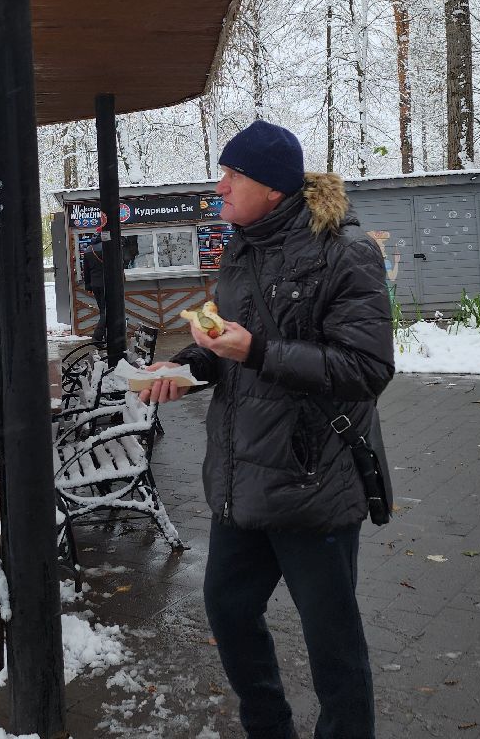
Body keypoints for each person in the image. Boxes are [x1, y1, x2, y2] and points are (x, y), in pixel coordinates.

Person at [140, 120, 393, 739]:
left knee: (332, 640)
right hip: (241, 477)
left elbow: (367, 369)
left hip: (315, 478)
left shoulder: (345, 252)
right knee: (228, 611)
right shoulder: (243, 245)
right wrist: (189, 364)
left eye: (233, 174)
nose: (219, 186)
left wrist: (254, 351)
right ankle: (268, 727)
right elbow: (230, 338)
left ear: (273, 187)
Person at [82, 220, 108, 348]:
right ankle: (97, 338)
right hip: (107, 284)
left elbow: (85, 271)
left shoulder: (88, 250)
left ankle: (105, 337)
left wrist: (88, 286)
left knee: (103, 310)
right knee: (107, 312)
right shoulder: (107, 248)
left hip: (95, 285)